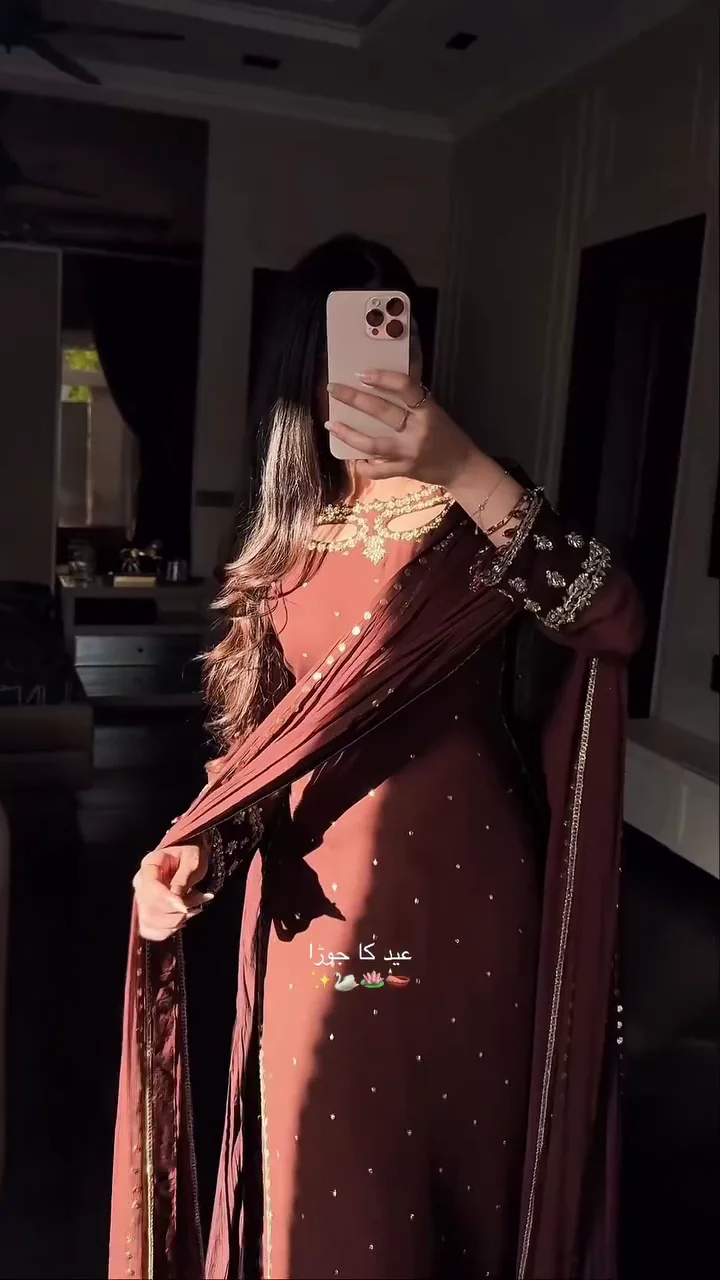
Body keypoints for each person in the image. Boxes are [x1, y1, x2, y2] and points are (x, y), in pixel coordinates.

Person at [110, 235, 642, 1280]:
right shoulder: (287, 541)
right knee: (328, 1202)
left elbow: (614, 619)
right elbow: (261, 751)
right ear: (300, 375)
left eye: (395, 340)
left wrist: (464, 468)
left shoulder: (485, 511)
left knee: (469, 1198)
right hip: (320, 926)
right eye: (338, 356)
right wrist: (199, 855)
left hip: (474, 919)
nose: (367, 375)